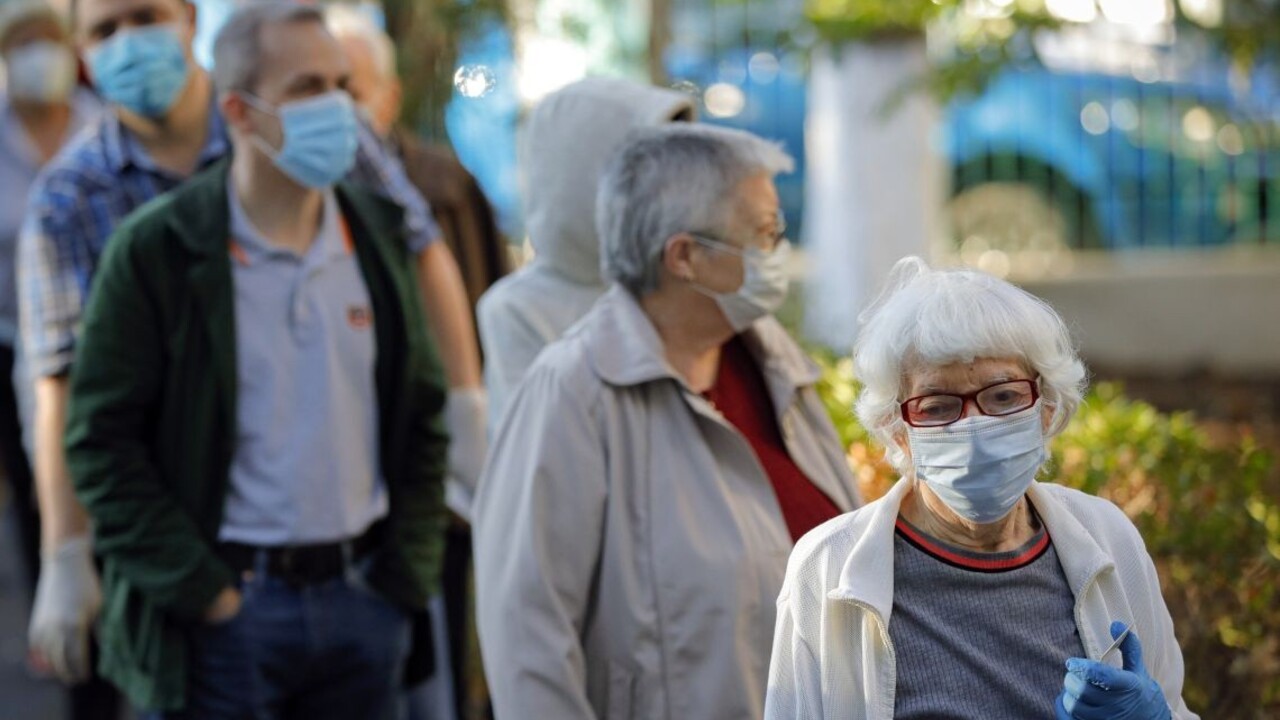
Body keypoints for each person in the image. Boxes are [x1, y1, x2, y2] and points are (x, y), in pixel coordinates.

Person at [18, 0, 475, 692]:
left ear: (188, 18)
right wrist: (70, 550)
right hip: (210, 581)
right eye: (105, 30)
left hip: (358, 586)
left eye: (146, 17)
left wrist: (467, 409)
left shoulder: (338, 166)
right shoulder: (77, 199)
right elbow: (69, 391)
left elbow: (420, 253)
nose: (130, 42)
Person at [472, 124, 863, 720]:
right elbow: (528, 642)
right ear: (684, 256)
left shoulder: (769, 357)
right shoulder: (574, 391)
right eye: (763, 233)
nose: (778, 251)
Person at [763, 258, 1196, 719]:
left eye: (1004, 396)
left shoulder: (1109, 537)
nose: (974, 428)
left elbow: (1173, 705)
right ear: (897, 430)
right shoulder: (828, 568)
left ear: (1047, 407)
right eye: (937, 406)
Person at [475, 76, 694, 438]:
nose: (665, 193)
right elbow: (540, 446)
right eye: (644, 173)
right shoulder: (518, 309)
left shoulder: (680, 282)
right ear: (586, 176)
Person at [0, 0, 99, 605]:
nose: (40, 57)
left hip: (102, 342)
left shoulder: (100, 126)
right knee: (36, 477)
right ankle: (53, 594)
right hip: (15, 341)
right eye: (24, 43)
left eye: (50, 41)